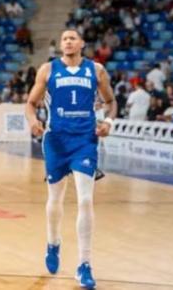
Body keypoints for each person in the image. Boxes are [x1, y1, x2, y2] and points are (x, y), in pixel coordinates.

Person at [25, 29, 117, 289]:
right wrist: (33, 122)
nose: (68, 41)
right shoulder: (47, 69)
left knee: (86, 200)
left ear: (82, 43)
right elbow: (30, 103)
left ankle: (84, 264)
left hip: (85, 141)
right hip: (55, 140)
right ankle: (53, 243)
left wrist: (108, 121)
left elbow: (111, 101)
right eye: (64, 38)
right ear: (61, 45)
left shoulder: (96, 70)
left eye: (73, 38)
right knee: (55, 197)